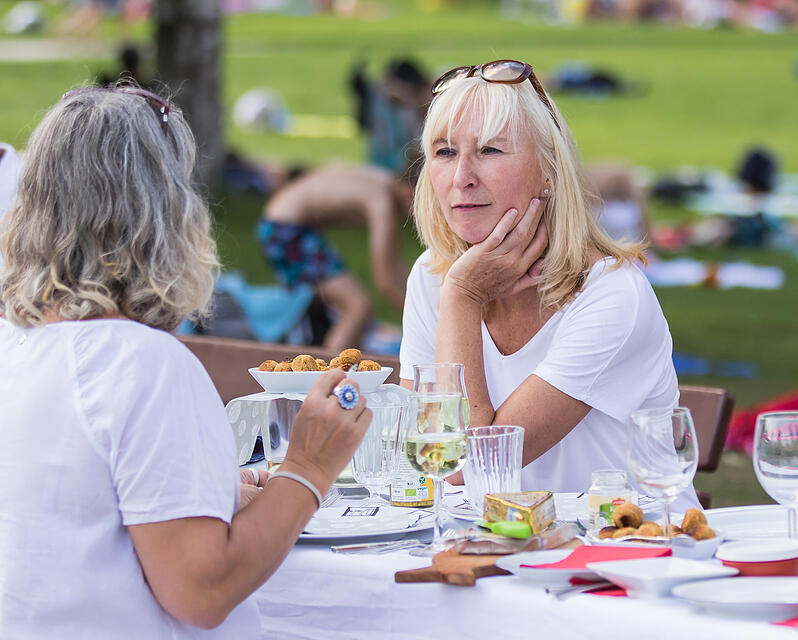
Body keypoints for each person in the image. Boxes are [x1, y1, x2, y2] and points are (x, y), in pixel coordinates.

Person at [0, 86, 371, 637]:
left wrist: (219, 489)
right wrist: (309, 467)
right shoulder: (142, 364)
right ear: (168, 213)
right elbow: (202, 591)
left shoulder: (17, 346)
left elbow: (81, 505)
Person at [398, 60, 697, 510]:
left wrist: (463, 299)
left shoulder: (612, 295)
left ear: (549, 171)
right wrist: (460, 290)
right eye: (444, 152)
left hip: (623, 542)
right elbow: (420, 460)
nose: (462, 177)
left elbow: (464, 464)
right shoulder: (432, 275)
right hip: (497, 536)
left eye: (490, 150)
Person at [258, 163, 413, 350]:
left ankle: (331, 354)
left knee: (352, 308)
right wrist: (424, 321)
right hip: (284, 230)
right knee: (357, 307)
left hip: (286, 224)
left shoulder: (385, 182)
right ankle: (332, 364)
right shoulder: (382, 201)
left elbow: (397, 265)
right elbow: (385, 281)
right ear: (408, 194)